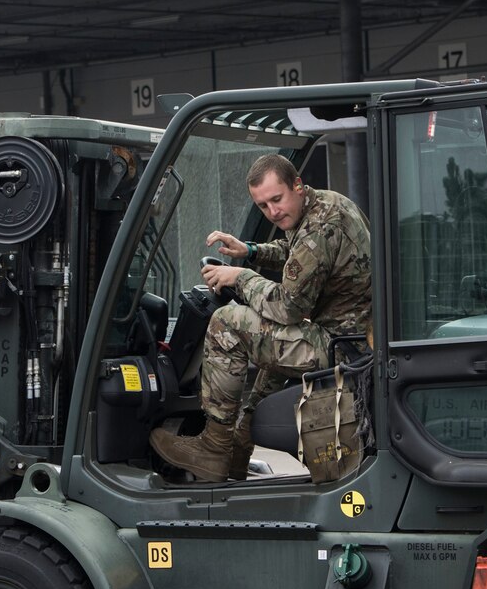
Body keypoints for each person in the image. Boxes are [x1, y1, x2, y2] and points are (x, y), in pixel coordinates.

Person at [150, 152, 373, 482]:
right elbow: (295, 254)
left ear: (297, 185)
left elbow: (287, 306)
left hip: (341, 349)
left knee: (229, 322)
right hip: (346, 340)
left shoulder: (319, 227)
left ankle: (213, 449)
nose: (273, 212)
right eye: (263, 206)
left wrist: (239, 277)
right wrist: (250, 252)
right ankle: (236, 454)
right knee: (267, 347)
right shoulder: (323, 204)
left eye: (277, 200)